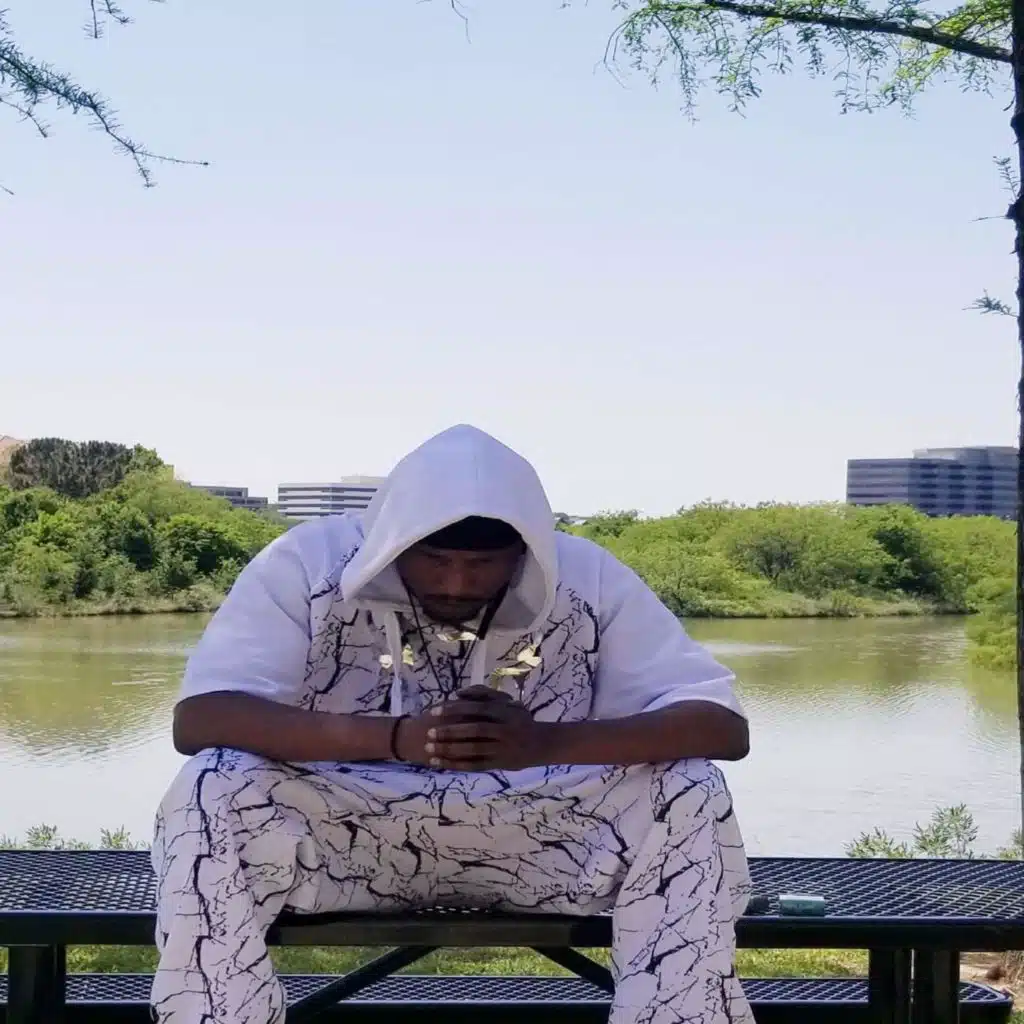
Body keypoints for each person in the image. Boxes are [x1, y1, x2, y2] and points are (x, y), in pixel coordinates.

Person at [150, 424, 753, 1024]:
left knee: (690, 786)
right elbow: (201, 718)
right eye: (435, 559)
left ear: (527, 551)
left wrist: (544, 743)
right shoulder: (307, 564)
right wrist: (399, 739)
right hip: (347, 843)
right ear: (392, 542)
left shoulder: (588, 576)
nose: (457, 583)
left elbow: (722, 727)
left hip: (543, 844)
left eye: (484, 563)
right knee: (214, 781)